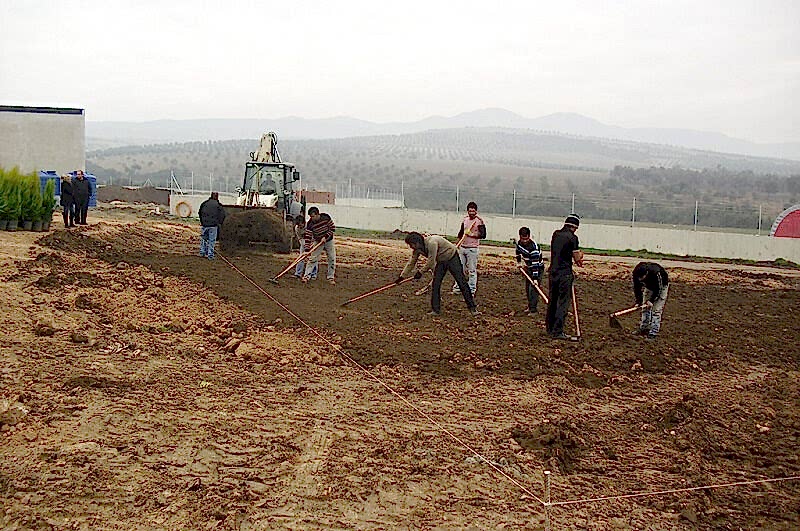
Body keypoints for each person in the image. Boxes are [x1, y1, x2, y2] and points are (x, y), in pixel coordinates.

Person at [398, 232, 479, 317]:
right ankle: (435, 310)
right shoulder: (417, 250)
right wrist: (402, 277)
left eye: (412, 244)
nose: (411, 247)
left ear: (417, 242)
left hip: (452, 257)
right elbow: (411, 262)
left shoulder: (432, 243)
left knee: (461, 282)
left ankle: (472, 308)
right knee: (435, 284)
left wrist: (420, 272)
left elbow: (431, 261)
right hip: (441, 261)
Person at [545, 214, 584, 340]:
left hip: (553, 272)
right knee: (563, 303)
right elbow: (577, 258)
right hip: (565, 274)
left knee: (552, 301)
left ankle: (550, 329)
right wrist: (581, 256)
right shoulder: (573, 238)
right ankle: (558, 331)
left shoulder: (556, 234)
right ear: (574, 227)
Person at [451, 201, 486, 295]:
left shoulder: (479, 221)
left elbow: (483, 235)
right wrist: (457, 244)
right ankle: (457, 288)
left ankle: (471, 290)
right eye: (470, 211)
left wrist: (472, 234)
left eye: (473, 211)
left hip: (472, 249)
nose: (471, 213)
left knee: (472, 270)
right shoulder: (465, 220)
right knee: (459, 269)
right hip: (463, 247)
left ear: (476, 211)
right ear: (467, 211)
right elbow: (460, 233)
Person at [632, 262, 669, 340]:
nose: (639, 280)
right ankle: (644, 328)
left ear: (646, 274)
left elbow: (658, 289)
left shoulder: (656, 273)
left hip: (661, 287)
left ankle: (653, 332)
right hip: (649, 287)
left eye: (641, 278)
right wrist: (638, 301)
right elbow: (636, 288)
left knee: (656, 310)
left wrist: (651, 301)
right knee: (644, 308)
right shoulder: (636, 273)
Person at [302, 207, 336, 284]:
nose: (312, 218)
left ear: (318, 214)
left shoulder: (326, 217)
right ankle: (306, 276)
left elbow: (332, 228)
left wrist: (326, 237)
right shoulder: (310, 224)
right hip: (318, 241)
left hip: (328, 241)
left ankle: (330, 277)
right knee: (313, 259)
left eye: (313, 216)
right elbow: (308, 237)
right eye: (310, 216)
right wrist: (307, 250)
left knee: (332, 258)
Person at [515, 226, 545, 314]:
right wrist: (519, 262)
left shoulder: (533, 248)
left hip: (538, 268)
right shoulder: (519, 243)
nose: (524, 241)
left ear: (529, 236)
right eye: (522, 239)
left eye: (526, 239)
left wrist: (535, 278)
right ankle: (530, 306)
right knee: (528, 289)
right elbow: (518, 251)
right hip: (528, 267)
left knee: (534, 289)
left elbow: (535, 265)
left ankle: (533, 310)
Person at [198, 192, 226, 260]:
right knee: (211, 240)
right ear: (217, 197)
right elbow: (222, 215)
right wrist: (220, 223)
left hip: (204, 224)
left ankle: (202, 252)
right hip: (213, 225)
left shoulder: (204, 203)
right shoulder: (218, 205)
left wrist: (202, 221)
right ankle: (210, 255)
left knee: (204, 239)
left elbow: (200, 212)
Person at [293, 214, 317, 279]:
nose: (299, 227)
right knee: (301, 258)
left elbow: (315, 236)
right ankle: (298, 273)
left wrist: (311, 244)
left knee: (313, 258)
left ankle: (313, 274)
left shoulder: (310, 226)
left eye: (300, 225)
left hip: (312, 242)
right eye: (298, 225)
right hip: (304, 244)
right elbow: (299, 238)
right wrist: (303, 244)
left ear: (304, 223)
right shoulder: (297, 228)